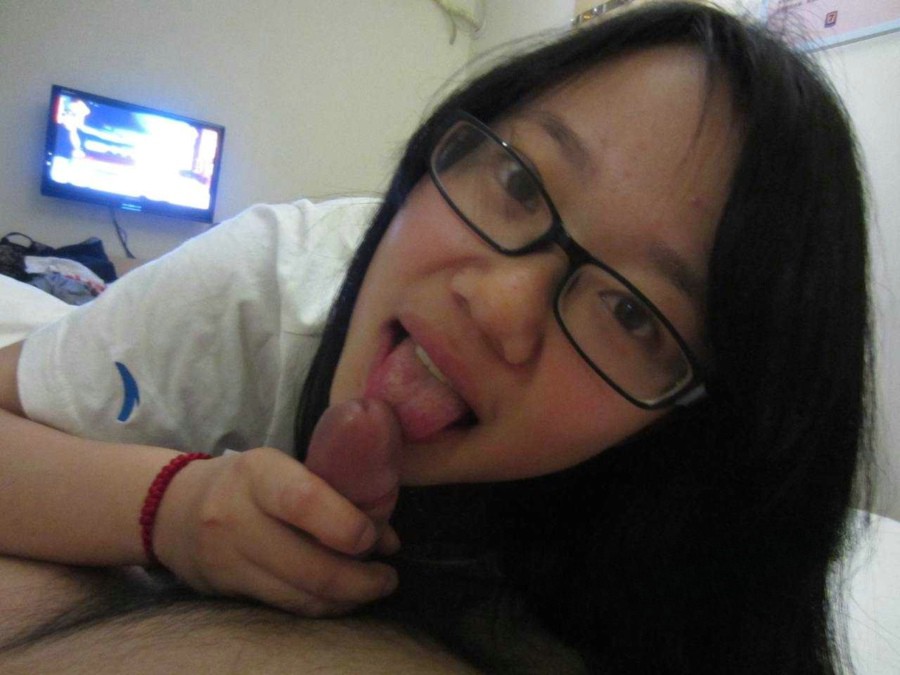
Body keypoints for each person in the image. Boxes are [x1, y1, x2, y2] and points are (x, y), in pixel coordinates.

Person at [0, 2, 873, 672]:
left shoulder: (675, 559)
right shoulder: (264, 289)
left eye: (632, 312)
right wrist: (173, 509)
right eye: (519, 181)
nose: (499, 306)